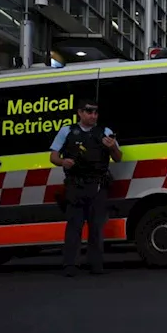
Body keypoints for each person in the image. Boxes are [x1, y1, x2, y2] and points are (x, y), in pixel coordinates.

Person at [49, 99, 121, 276]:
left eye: (95, 112)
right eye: (89, 112)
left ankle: (95, 264)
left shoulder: (105, 132)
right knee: (74, 225)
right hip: (76, 185)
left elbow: (118, 158)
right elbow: (53, 156)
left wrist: (112, 148)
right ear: (79, 113)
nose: (93, 115)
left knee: (96, 226)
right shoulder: (67, 131)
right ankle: (70, 265)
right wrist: (63, 162)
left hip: (98, 185)